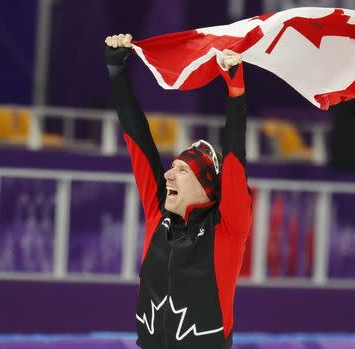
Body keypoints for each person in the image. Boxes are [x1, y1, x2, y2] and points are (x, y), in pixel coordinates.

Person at [105, 33, 252, 349]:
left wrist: (235, 91)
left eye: (182, 170)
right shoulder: (158, 213)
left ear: (206, 187)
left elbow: (235, 158)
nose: (168, 175)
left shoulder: (227, 229)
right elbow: (138, 140)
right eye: (172, 167)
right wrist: (117, 73)